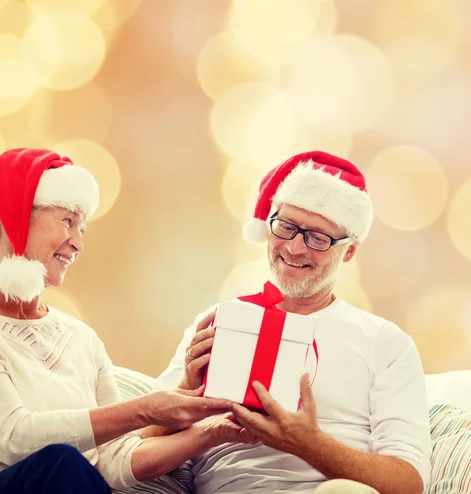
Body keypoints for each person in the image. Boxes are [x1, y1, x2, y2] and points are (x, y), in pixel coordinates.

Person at [0, 148, 256, 494]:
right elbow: (15, 439)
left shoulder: (81, 338)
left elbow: (113, 462)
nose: (77, 243)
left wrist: (217, 430)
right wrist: (144, 410)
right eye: (67, 221)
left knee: (71, 468)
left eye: (82, 229)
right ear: (15, 217)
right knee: (60, 463)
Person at [157, 151, 432, 494]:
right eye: (286, 227)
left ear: (348, 250)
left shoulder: (385, 341)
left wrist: (310, 444)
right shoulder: (217, 323)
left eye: (318, 237)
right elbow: (136, 444)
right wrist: (186, 387)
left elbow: (409, 483)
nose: (295, 248)